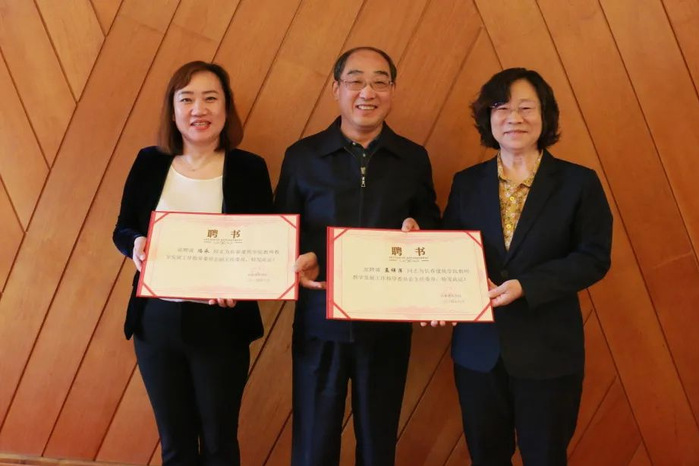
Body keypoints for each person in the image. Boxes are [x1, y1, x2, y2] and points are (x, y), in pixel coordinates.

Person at [275, 46, 440, 466]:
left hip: (387, 324)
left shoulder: (413, 158)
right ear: (336, 88)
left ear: (392, 91)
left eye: (380, 82)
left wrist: (419, 233)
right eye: (355, 81)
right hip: (319, 321)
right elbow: (280, 232)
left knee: (379, 442)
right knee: (313, 445)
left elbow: (431, 226)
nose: (368, 92)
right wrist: (301, 257)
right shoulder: (302, 156)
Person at [442, 68, 613, 466]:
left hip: (548, 350)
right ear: (488, 117)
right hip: (478, 350)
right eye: (501, 108)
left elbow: (593, 257)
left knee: (545, 457)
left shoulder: (578, 183)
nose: (513, 118)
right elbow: (450, 250)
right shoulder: (466, 183)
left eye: (526, 108)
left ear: (545, 115)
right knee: (486, 457)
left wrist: (527, 286)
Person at [113, 61, 273, 466]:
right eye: (186, 99)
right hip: (156, 321)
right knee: (175, 444)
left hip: (222, 323)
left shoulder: (249, 168)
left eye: (210, 98)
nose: (198, 109)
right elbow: (123, 229)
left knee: (220, 442)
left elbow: (265, 243)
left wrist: (241, 285)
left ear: (226, 108)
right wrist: (136, 244)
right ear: (173, 110)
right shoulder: (149, 162)